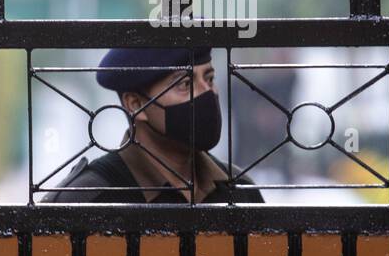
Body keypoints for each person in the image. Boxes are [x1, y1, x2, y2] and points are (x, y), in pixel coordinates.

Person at [43, 46, 264, 203]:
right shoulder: (88, 199)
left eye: (209, 79)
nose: (207, 93)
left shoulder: (241, 192)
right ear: (135, 104)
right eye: (185, 84)